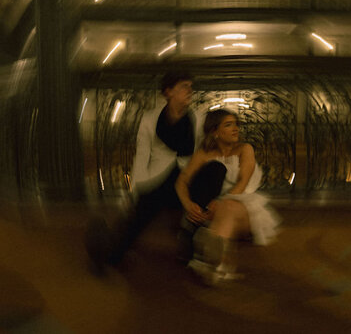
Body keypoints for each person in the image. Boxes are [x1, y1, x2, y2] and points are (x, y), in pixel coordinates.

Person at [86, 71, 203, 272]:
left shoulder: (198, 119)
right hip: (158, 179)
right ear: (168, 92)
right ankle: (109, 254)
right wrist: (135, 188)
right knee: (141, 213)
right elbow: (141, 156)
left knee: (201, 196)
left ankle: (193, 248)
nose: (190, 91)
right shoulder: (150, 119)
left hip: (186, 180)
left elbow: (203, 152)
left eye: (191, 86)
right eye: (184, 86)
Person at [175, 109, 280, 284]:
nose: (236, 129)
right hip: (210, 208)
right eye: (229, 125)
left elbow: (243, 182)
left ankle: (206, 259)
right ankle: (218, 265)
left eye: (236, 124)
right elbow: (181, 181)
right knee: (224, 208)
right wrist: (188, 205)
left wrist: (221, 202)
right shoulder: (204, 153)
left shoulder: (245, 149)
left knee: (228, 207)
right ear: (215, 131)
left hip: (242, 203)